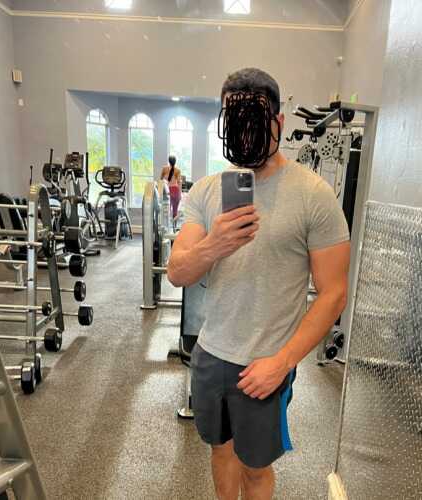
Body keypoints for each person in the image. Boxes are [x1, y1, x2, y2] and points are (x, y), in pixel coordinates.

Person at [168, 68, 350, 500]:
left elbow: (334, 293)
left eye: (255, 119)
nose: (246, 131)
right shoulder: (207, 191)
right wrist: (214, 245)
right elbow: (177, 272)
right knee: (220, 451)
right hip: (211, 352)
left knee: (255, 468)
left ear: (279, 122)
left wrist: (283, 362)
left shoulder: (314, 195)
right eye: (236, 120)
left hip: (266, 363)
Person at [160, 155, 182, 221]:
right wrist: (180, 194)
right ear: (175, 162)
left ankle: (166, 225)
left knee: (166, 211)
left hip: (167, 191)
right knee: (175, 211)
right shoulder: (178, 170)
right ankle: (174, 226)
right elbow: (179, 182)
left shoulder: (164, 169)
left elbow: (161, 180)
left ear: (169, 161)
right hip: (175, 191)